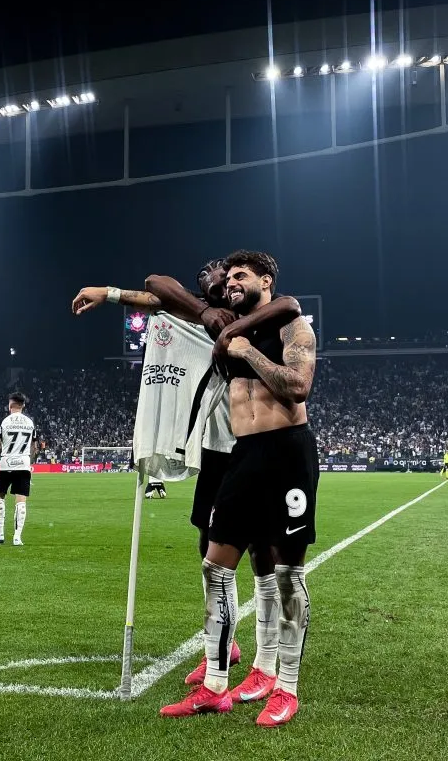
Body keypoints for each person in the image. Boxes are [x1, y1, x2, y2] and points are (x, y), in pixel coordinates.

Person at [72, 262, 302, 692]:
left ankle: (266, 660)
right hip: (215, 448)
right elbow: (154, 284)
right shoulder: (193, 313)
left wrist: (226, 321)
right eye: (211, 274)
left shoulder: (251, 317)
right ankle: (224, 647)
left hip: (255, 444)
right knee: (209, 545)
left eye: (228, 272)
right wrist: (108, 291)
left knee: (263, 552)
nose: (217, 274)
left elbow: (289, 303)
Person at [161, 251, 318, 727]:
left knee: (289, 574)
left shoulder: (293, 328)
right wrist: (221, 324)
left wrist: (246, 350)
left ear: (265, 280)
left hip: (288, 450)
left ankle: (285, 688)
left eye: (240, 276)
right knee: (214, 566)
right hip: (243, 454)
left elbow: (297, 387)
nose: (229, 282)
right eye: (227, 277)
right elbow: (159, 287)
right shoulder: (226, 323)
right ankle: (214, 687)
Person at [0, 392, 36, 546]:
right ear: (23, 405)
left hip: (6, 464)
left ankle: (0, 534)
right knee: (21, 501)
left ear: (10, 404)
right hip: (23, 464)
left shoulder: (3, 422)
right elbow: (34, 447)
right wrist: (30, 463)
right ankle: (17, 537)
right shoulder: (30, 423)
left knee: (0, 497)